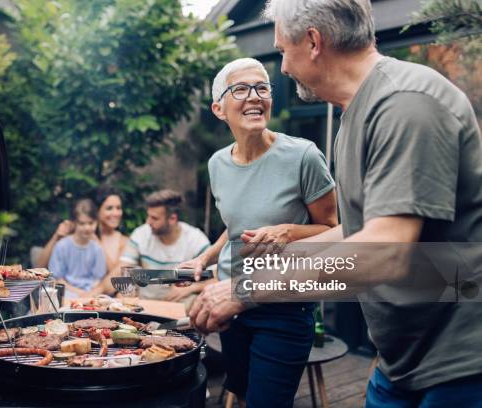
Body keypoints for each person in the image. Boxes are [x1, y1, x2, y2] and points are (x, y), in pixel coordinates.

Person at [189, 1, 482, 407]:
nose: (284, 68)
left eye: (282, 52)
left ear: (312, 42)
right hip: (402, 361)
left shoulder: (405, 102)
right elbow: (356, 229)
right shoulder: (354, 115)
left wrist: (248, 290)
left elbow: (385, 252)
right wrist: (240, 274)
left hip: (459, 366)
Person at [179, 57, 338, 408]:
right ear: (219, 108)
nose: (254, 96)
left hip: (284, 306)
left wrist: (288, 230)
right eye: (241, 89)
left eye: (261, 88)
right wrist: (207, 255)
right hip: (232, 302)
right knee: (246, 393)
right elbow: (236, 225)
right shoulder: (217, 163)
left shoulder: (303, 156)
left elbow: (336, 229)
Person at [120, 189, 212, 309]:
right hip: (144, 306)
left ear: (172, 219)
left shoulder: (196, 240)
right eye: (148, 216)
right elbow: (125, 268)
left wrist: (191, 288)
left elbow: (216, 278)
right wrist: (128, 294)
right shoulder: (140, 235)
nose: (148, 222)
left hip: (181, 308)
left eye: (154, 218)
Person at [48, 199, 106, 299]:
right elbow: (57, 279)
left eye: (91, 223)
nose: (87, 227)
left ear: (96, 223)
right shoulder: (62, 246)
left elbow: (98, 280)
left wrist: (89, 294)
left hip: (90, 293)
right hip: (66, 291)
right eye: (82, 223)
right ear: (74, 223)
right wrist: (79, 293)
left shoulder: (97, 248)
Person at [88, 186, 129, 296]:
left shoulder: (124, 241)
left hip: (108, 297)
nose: (116, 213)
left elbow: (117, 277)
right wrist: (56, 236)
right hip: (80, 292)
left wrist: (99, 245)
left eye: (118, 208)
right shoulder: (84, 233)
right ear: (97, 211)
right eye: (109, 208)